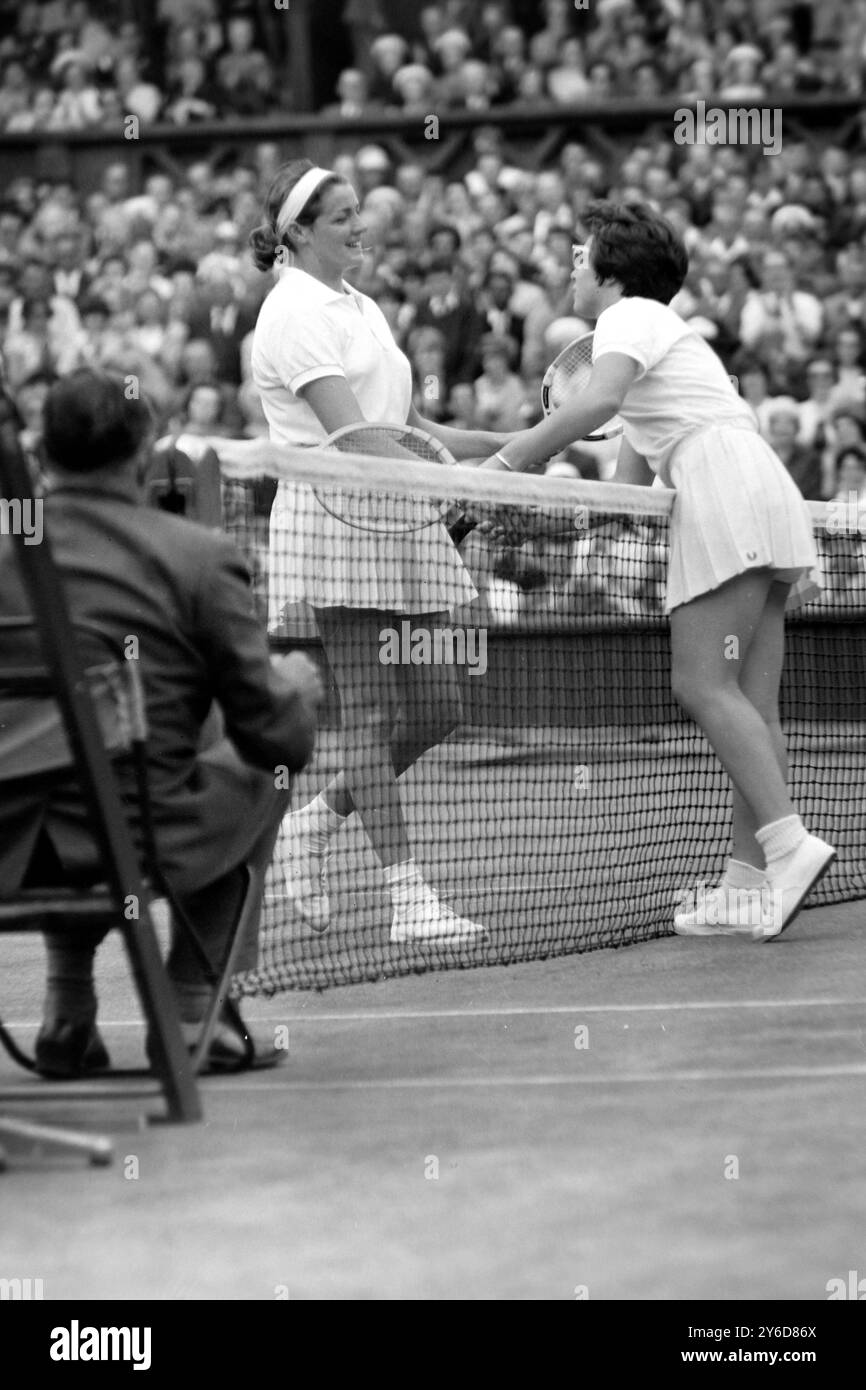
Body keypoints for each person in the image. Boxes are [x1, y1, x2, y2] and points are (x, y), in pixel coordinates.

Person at [479, 201, 835, 941]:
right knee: (749, 701)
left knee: (701, 683)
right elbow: (627, 497)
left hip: (723, 491)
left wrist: (508, 462)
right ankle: (746, 886)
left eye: (580, 257)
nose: (571, 268)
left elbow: (597, 401)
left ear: (612, 274)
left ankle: (789, 845)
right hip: (759, 490)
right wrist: (515, 490)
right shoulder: (655, 355)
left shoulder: (628, 318)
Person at [0, 369, 323, 1077]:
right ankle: (191, 1003)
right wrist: (296, 688)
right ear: (145, 449)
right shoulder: (198, 559)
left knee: (65, 766)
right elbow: (276, 736)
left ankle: (68, 1009)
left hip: (7, 844)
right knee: (257, 763)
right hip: (135, 839)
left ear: (41, 449)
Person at [248, 159, 511, 944]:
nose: (361, 225)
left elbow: (405, 430)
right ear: (297, 233)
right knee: (366, 710)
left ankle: (312, 824)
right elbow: (354, 436)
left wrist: (522, 447)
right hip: (337, 515)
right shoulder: (292, 313)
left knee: (439, 705)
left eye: (360, 211)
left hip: (399, 509)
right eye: (342, 217)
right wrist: (461, 484)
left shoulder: (357, 304)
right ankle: (407, 898)